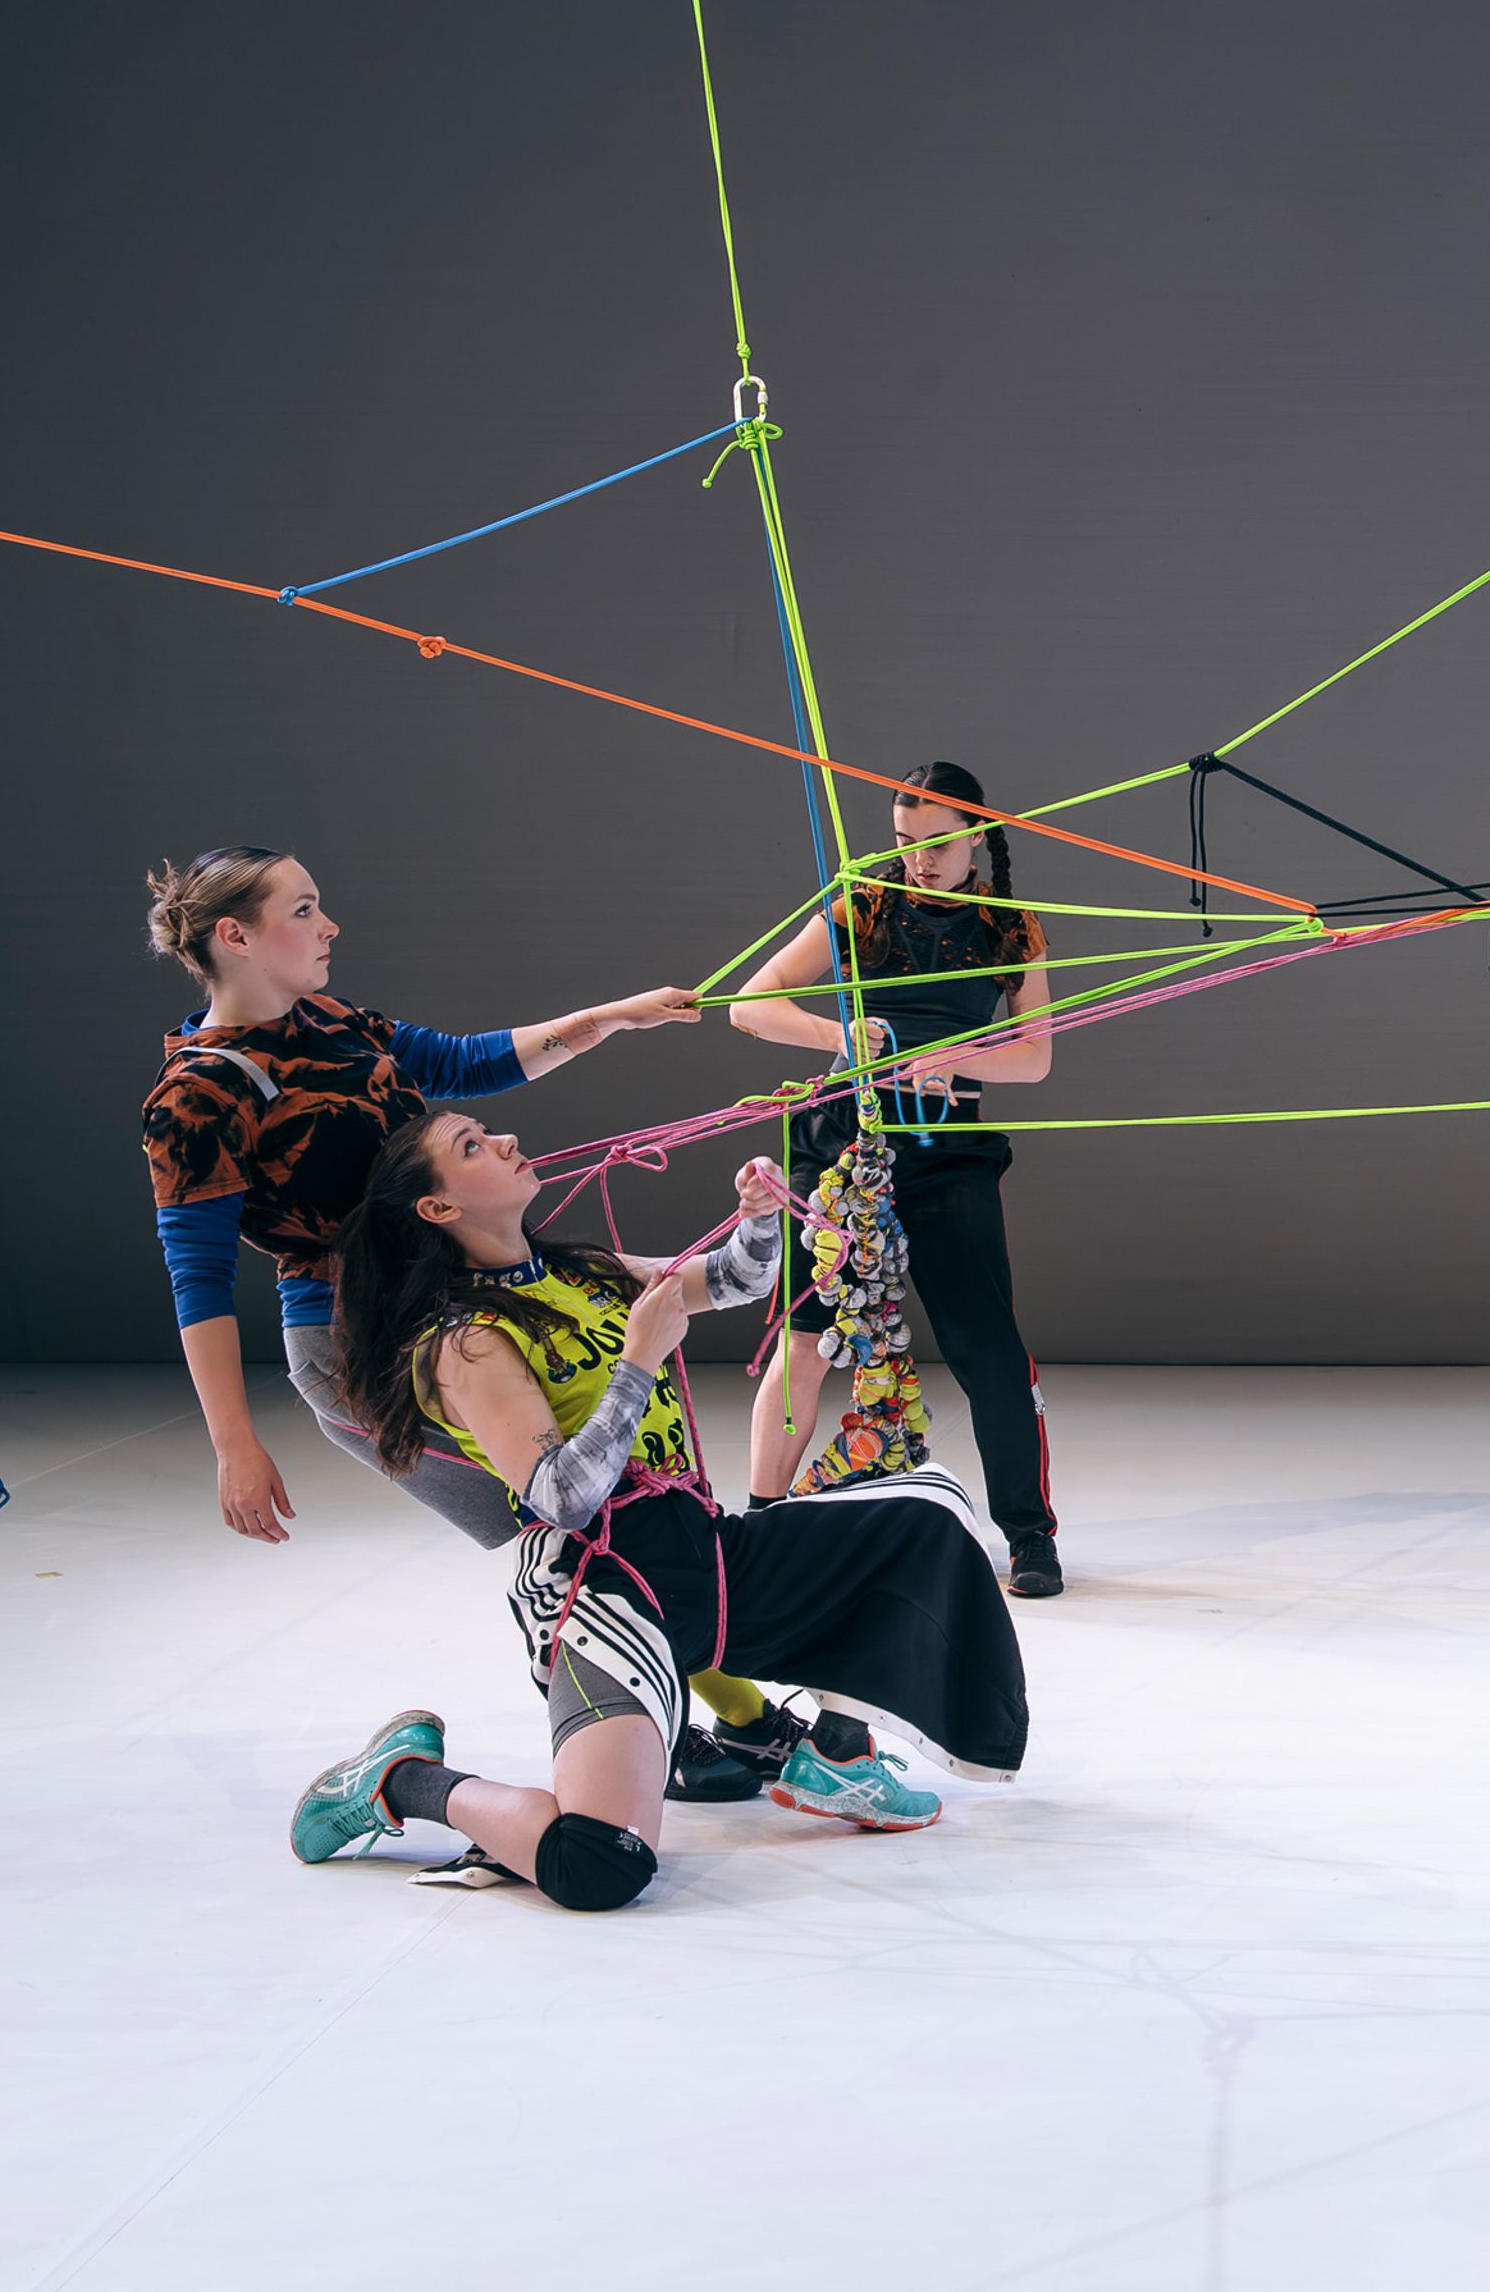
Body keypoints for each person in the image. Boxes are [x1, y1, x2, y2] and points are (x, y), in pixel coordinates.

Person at [139, 846, 799, 1803]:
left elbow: (461, 1061)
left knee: (605, 1524)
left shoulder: (331, 1020)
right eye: (306, 910)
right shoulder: (196, 1096)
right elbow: (196, 1280)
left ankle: (715, 1726)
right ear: (235, 937)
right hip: (368, 1353)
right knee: (576, 1531)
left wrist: (608, 1019)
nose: (329, 928)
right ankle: (698, 1731)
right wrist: (234, 1446)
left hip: (471, 1314)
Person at [288, 1115, 1032, 1911]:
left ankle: (836, 1757)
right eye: (472, 1148)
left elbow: (734, 1280)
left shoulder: (584, 1270)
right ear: (436, 1209)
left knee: (928, 1509)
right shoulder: (465, 1341)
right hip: (603, 1594)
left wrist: (755, 1218)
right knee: (600, 1865)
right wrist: (638, 1360)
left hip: (702, 1553)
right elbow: (563, 1500)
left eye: (492, 1132)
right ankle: (401, 1781)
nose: (506, 1142)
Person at [729, 763, 1066, 1599]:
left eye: (940, 843)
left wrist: (952, 1055)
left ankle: (1028, 1536)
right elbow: (750, 1003)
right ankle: (760, 1523)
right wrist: (844, 1038)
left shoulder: (1009, 925)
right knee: (805, 1340)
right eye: (906, 843)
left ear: (980, 833)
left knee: (987, 1347)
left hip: (948, 1152)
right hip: (840, 1149)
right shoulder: (862, 902)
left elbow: (1034, 1057)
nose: (921, 860)